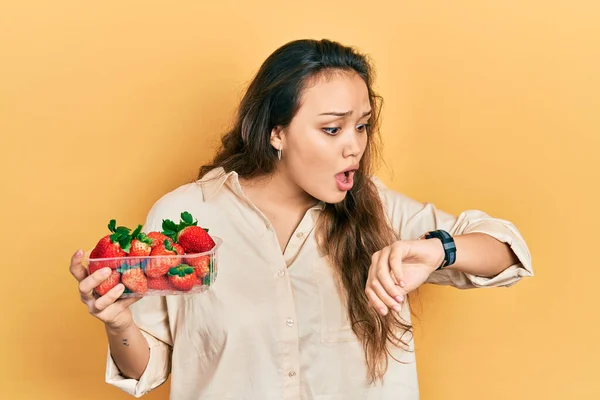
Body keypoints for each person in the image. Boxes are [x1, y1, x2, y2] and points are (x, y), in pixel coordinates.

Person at [69, 39, 533, 399]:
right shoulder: (185, 218)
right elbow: (144, 369)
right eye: (332, 129)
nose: (354, 145)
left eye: (362, 125)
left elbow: (507, 252)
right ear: (276, 132)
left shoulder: (376, 207)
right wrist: (118, 323)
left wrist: (437, 249)